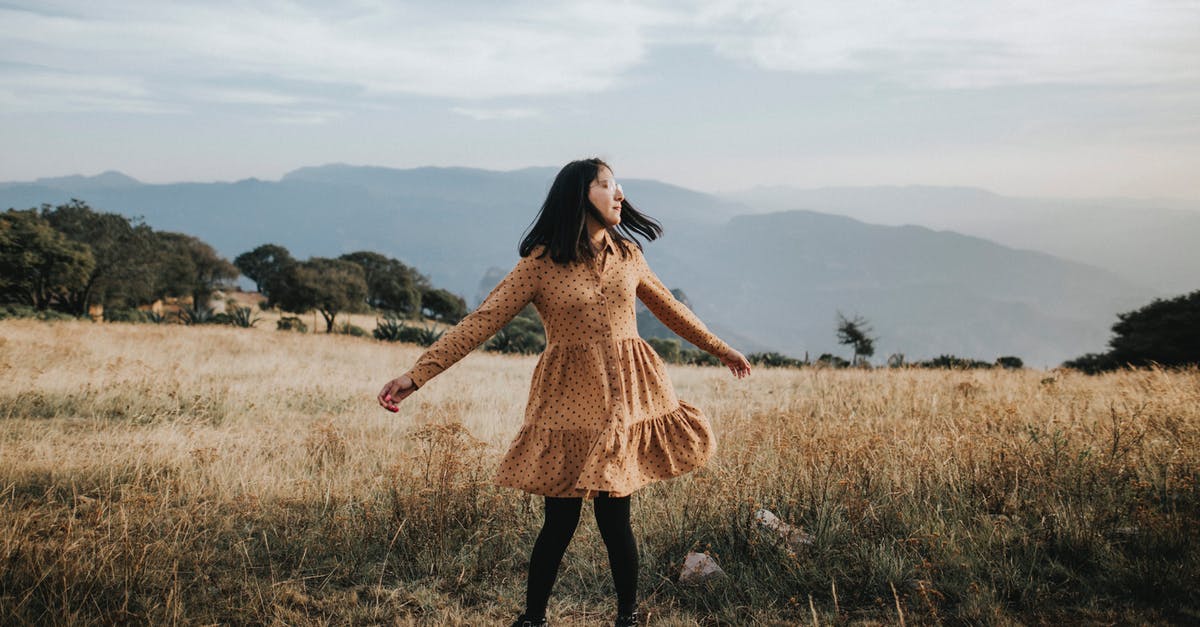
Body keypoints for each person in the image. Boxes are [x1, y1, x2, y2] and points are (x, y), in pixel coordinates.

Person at [377, 158, 751, 627]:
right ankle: (533, 619)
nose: (619, 195)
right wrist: (416, 376)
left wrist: (723, 350)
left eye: (618, 186)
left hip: (626, 400)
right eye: (607, 185)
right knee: (559, 521)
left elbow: (671, 309)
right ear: (580, 195)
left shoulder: (628, 255)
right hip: (568, 404)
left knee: (617, 521)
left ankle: (626, 618)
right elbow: (482, 322)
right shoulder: (539, 264)